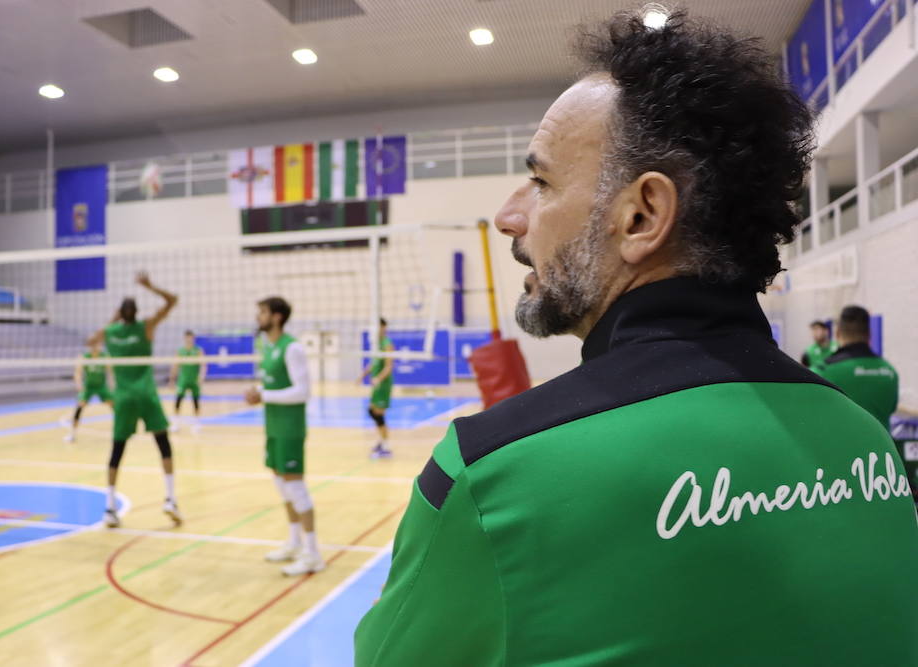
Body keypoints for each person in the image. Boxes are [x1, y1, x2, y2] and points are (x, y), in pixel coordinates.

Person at [355, 11, 917, 666]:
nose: (510, 216)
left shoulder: (491, 478)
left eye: (540, 182)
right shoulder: (865, 436)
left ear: (643, 215)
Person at [88, 272, 182, 529]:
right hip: (147, 395)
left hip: (124, 398)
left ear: (120, 313)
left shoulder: (110, 332)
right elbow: (173, 301)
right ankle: (170, 499)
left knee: (117, 451)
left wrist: (111, 322)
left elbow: (90, 343)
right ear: (136, 312)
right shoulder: (146, 327)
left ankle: (109, 508)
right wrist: (150, 286)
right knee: (163, 444)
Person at [245, 296, 324, 576]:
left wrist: (263, 395)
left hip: (290, 429)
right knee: (281, 485)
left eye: (263, 312)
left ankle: (313, 553)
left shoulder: (292, 348)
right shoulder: (269, 348)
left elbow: (302, 392)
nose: (259, 317)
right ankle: (294, 542)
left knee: (296, 489)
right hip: (273, 426)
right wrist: (257, 391)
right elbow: (273, 385)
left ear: (277, 317)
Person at [815, 306, 898, 431]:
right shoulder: (890, 372)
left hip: (841, 448)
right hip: (881, 449)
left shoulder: (822, 372)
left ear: (837, 334)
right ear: (869, 334)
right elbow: (891, 408)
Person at [358, 318, 394, 458]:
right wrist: (362, 375)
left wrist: (378, 378)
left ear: (383, 327)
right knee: (372, 412)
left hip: (383, 384)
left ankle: (386, 447)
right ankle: (381, 441)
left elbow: (389, 366)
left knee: (378, 414)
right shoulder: (377, 344)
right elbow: (373, 364)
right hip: (377, 384)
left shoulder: (387, 344)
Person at [64, 339, 113, 443]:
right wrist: (79, 384)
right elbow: (77, 373)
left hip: (101, 386)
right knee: (80, 406)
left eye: (97, 344)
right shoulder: (84, 357)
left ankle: (120, 431)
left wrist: (112, 386)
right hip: (88, 387)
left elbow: (111, 372)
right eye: (93, 344)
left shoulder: (105, 357)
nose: (95, 346)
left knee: (114, 405)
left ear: (100, 345)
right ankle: (72, 434)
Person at [169, 330, 205, 433]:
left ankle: (197, 423)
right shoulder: (180, 350)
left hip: (194, 380)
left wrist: (201, 376)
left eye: (191, 337)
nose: (189, 339)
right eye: (187, 337)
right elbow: (175, 366)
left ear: (193, 338)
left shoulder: (198, 350)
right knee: (178, 401)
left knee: (196, 402)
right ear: (184, 338)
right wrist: (172, 380)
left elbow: (203, 365)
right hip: (183, 380)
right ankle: (175, 423)